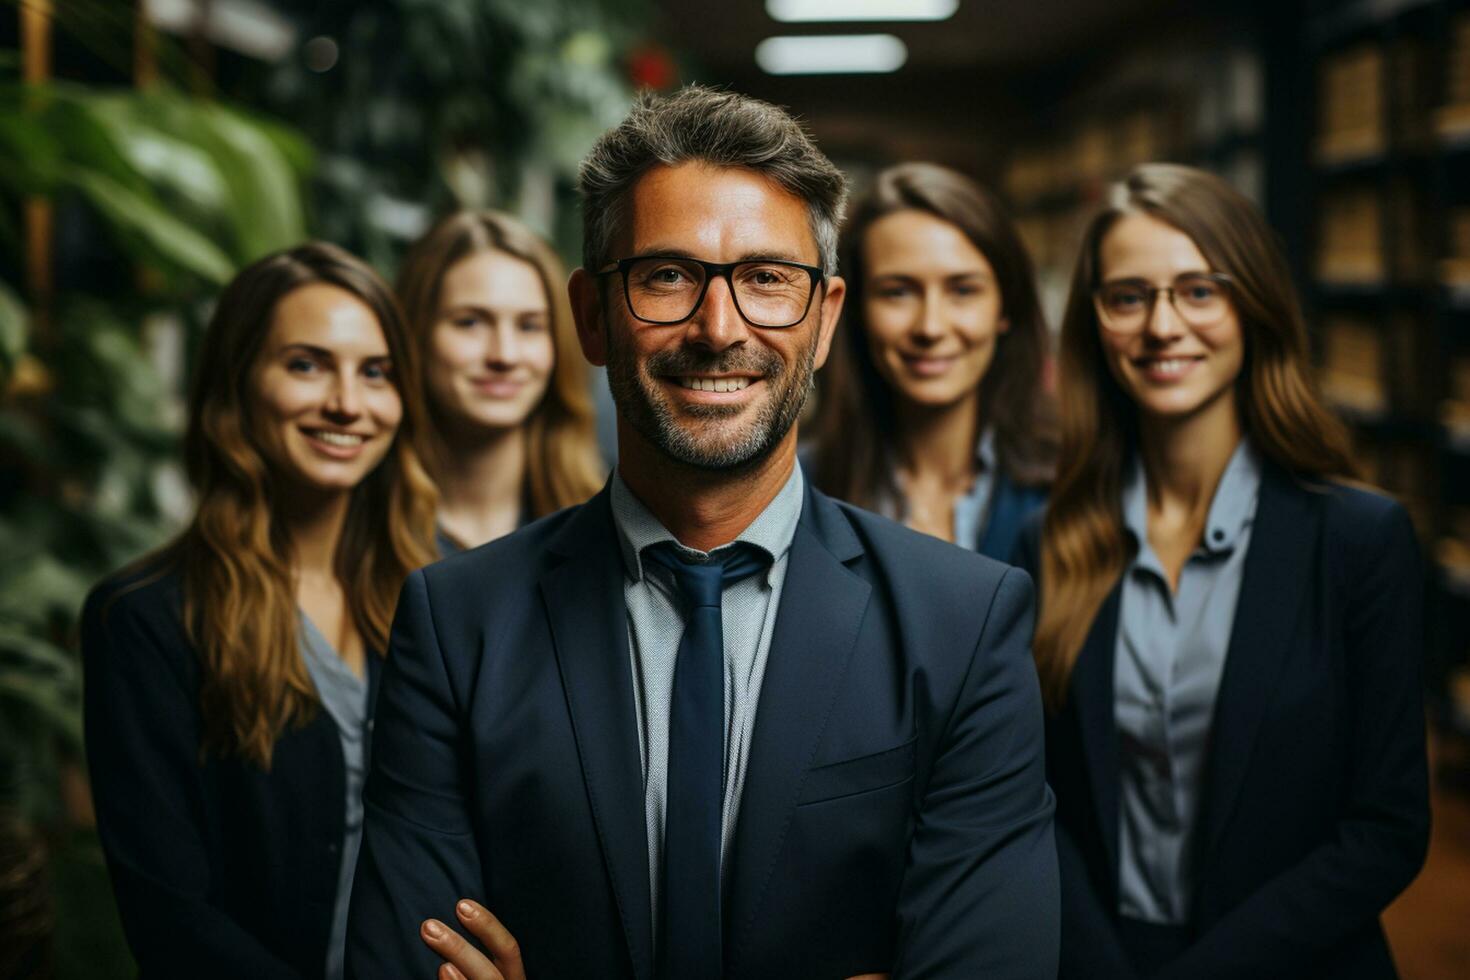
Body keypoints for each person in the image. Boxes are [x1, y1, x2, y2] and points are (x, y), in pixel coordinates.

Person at [346, 85, 1058, 980]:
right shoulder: (457, 625)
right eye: (667, 276)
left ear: (826, 318)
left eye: (767, 278)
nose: (719, 329)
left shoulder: (964, 623)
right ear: (592, 315)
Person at [1012, 163, 1429, 979]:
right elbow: (1035, 801)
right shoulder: (1047, 544)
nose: (1163, 326)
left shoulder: (1358, 539)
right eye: (1128, 297)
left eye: (1199, 291)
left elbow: (1387, 828)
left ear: (1253, 309)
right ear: (1096, 324)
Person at [81, 243, 439, 979]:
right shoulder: (147, 621)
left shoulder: (445, 588)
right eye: (306, 365)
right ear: (238, 383)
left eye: (375, 373)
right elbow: (169, 917)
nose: (347, 402)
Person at [809, 162, 1052, 561]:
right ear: (853, 311)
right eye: (897, 292)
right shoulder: (798, 491)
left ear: (1005, 307)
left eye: (963, 290)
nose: (931, 327)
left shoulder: (1074, 486)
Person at [396, 210, 604, 554]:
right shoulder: (356, 524)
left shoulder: (607, 522)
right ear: (416, 333)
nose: (504, 355)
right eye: (470, 322)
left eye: (529, 326)